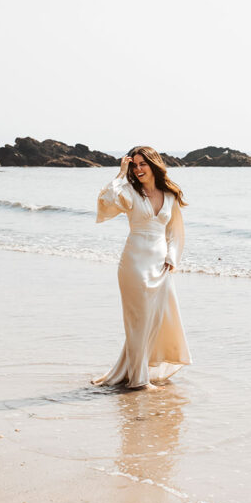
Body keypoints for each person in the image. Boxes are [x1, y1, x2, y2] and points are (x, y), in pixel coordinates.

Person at [92, 146, 191, 390]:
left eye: (141, 164)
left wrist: (172, 257)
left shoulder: (169, 195)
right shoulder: (128, 192)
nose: (137, 170)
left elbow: (176, 231)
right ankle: (138, 380)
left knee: (156, 320)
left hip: (161, 266)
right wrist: (120, 174)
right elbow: (106, 201)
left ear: (153, 164)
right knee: (138, 321)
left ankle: (133, 370)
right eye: (134, 165)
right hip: (134, 263)